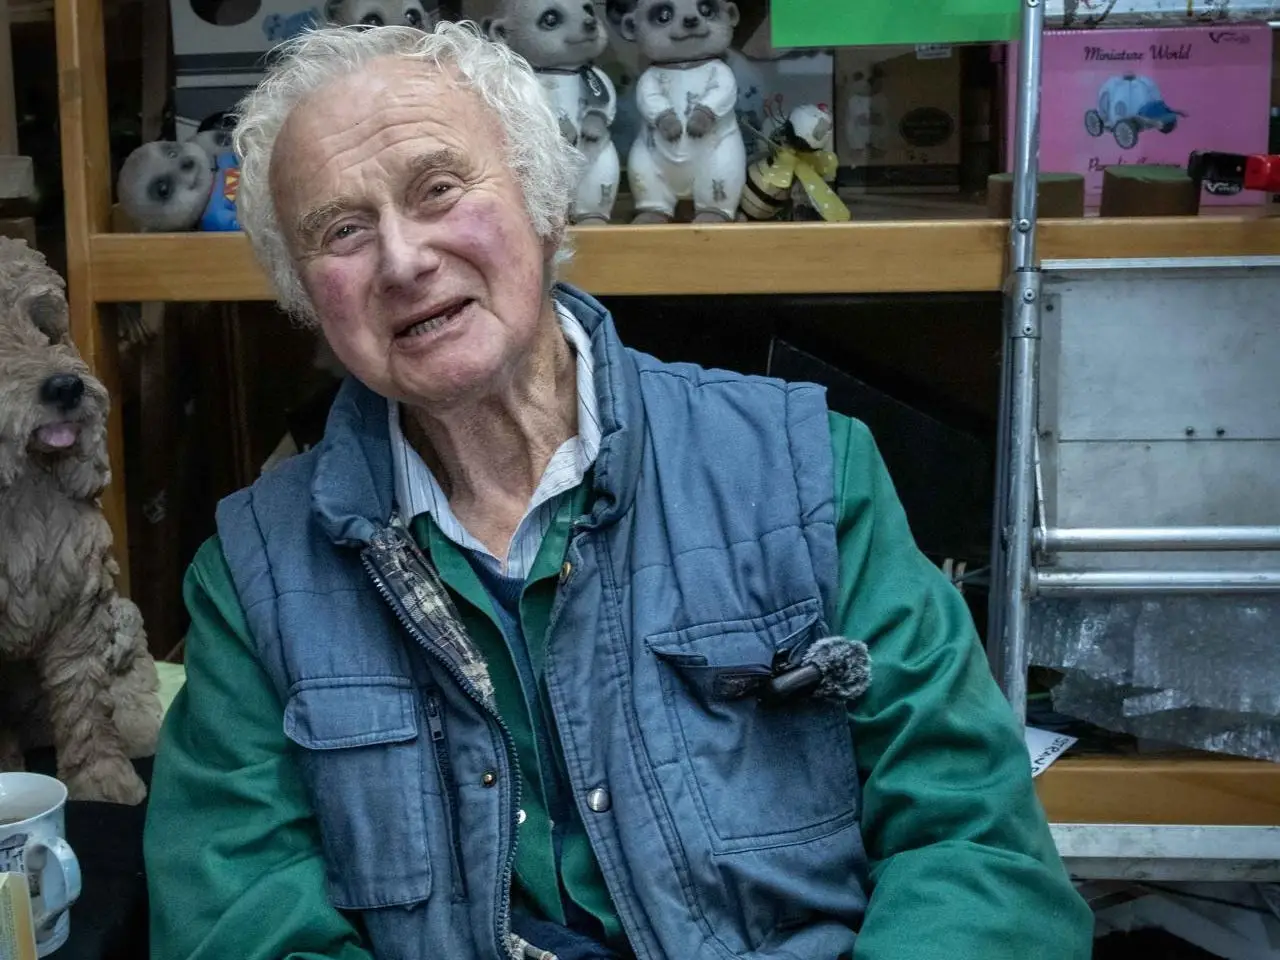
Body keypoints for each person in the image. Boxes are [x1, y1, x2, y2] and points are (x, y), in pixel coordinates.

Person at [142, 21, 1094, 960]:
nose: (402, 260)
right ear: (308, 297)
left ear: (547, 204)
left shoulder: (805, 473)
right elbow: (238, 924)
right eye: (342, 231)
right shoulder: (254, 578)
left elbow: (976, 852)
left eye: (437, 188)